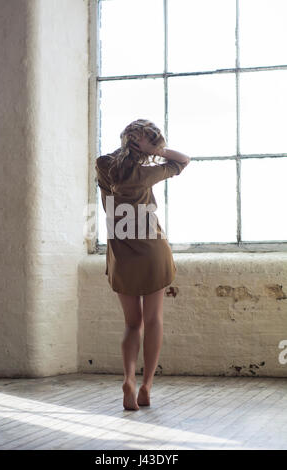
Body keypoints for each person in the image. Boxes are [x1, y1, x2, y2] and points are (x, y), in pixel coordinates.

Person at [95, 119, 191, 410]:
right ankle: (147, 385)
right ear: (144, 145)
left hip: (121, 251)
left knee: (131, 323)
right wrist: (156, 151)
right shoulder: (147, 173)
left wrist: (138, 144)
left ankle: (128, 379)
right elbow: (184, 160)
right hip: (152, 249)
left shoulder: (104, 165)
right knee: (153, 320)